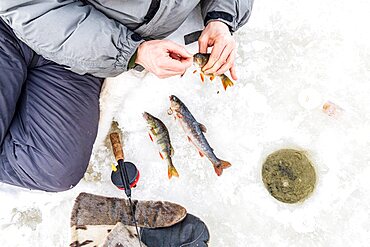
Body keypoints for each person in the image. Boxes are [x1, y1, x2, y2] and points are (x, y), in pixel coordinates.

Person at [0, 0, 253, 191]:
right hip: (11, 30)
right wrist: (130, 52)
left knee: (55, 169)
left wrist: (222, 18)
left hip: (87, 57)